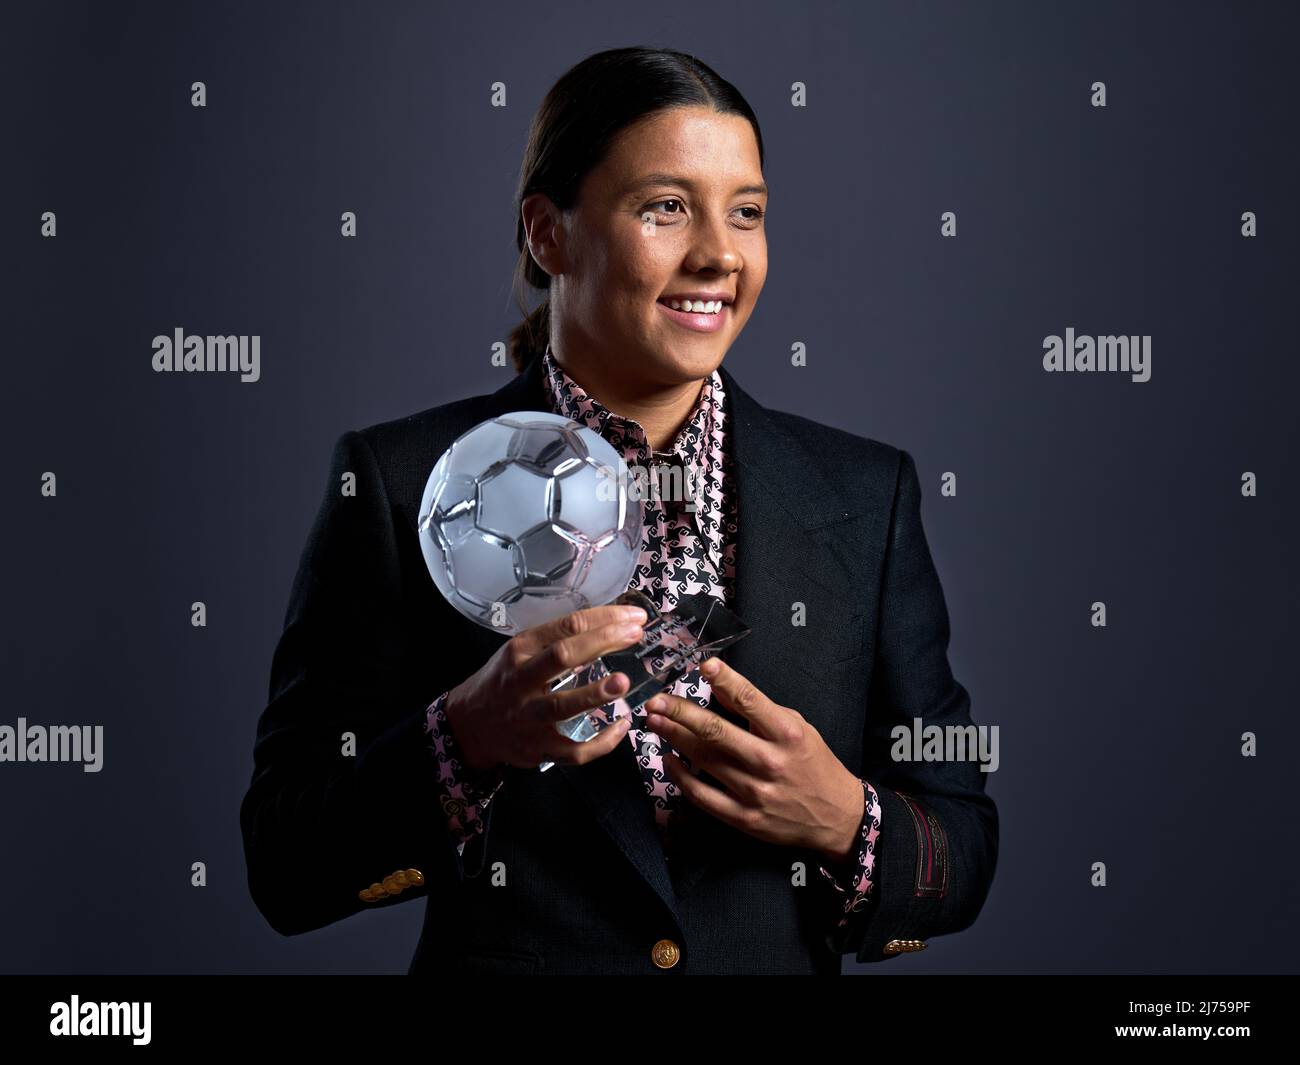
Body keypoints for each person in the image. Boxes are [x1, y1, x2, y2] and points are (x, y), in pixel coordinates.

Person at [239, 46, 998, 975]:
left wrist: (843, 818)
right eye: (665, 208)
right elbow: (283, 864)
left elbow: (963, 839)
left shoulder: (864, 492)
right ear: (548, 234)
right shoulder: (402, 481)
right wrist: (464, 740)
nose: (719, 253)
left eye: (747, 213)